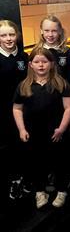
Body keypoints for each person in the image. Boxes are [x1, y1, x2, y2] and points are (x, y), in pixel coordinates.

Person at [13, 47, 70, 209]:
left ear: (52, 64)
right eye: (37, 62)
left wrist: (61, 128)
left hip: (56, 132)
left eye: (44, 62)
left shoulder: (61, 84)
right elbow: (17, 108)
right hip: (33, 132)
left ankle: (62, 191)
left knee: (59, 161)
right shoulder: (24, 85)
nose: (41, 65)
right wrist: (21, 129)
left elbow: (69, 107)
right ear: (30, 64)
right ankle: (40, 191)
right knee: (36, 162)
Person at [0, 20, 28, 204]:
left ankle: (27, 178)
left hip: (25, 110)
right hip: (3, 112)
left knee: (25, 145)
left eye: (11, 34)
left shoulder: (24, 58)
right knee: (9, 147)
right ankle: (14, 180)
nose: (8, 39)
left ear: (17, 35)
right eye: (3, 35)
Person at [35, 15, 70, 85]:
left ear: (60, 31)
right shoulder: (36, 52)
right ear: (41, 31)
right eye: (46, 31)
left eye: (54, 31)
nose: (50, 34)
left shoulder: (67, 52)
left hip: (63, 92)